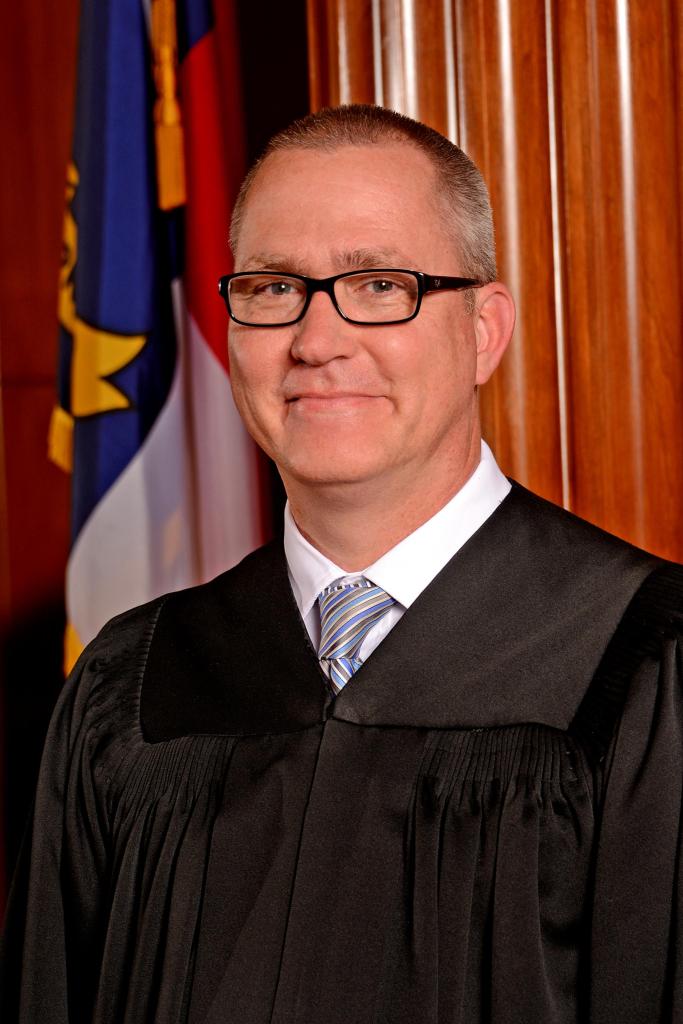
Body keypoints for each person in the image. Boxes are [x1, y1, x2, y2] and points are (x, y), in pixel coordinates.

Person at [2, 104, 683, 1024]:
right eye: (274, 288)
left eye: (376, 284)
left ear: (484, 330)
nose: (316, 341)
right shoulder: (135, 681)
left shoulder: (641, 661)